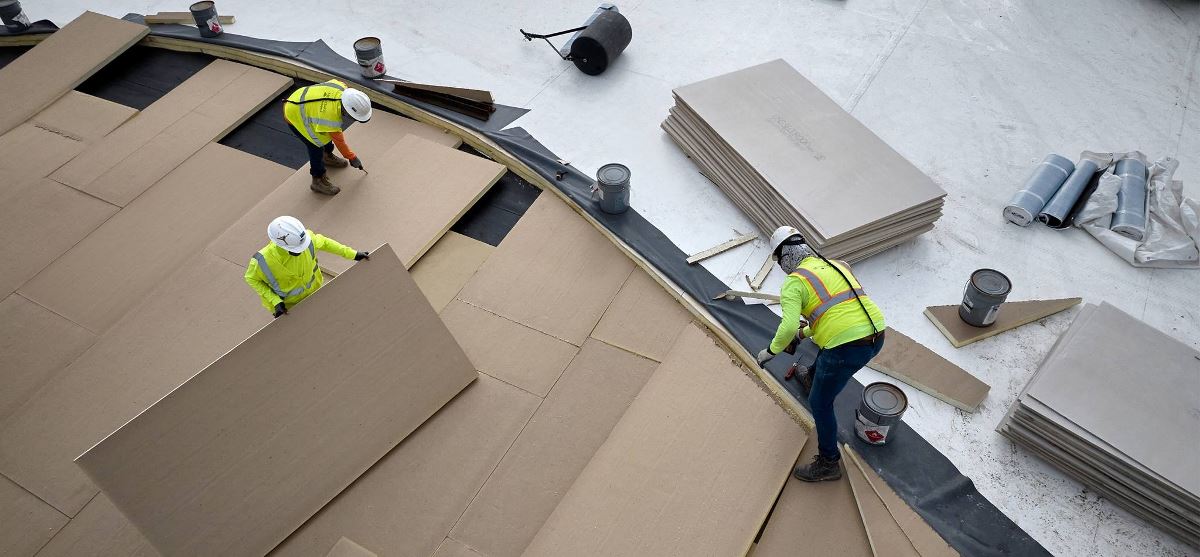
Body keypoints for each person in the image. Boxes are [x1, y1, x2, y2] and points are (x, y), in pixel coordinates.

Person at [756, 226, 886, 482]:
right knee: (828, 360)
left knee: (820, 403)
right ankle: (813, 377)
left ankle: (829, 463)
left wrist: (771, 351)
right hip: (877, 335)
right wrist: (803, 336)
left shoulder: (793, 283)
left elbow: (789, 326)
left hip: (846, 349)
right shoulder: (838, 265)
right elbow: (836, 314)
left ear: (784, 257)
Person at [245, 216, 369, 317]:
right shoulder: (261, 261)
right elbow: (252, 279)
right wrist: (275, 301)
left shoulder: (307, 239)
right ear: (280, 244)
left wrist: (353, 254)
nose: (301, 251)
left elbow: (325, 243)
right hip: (290, 307)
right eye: (296, 250)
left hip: (316, 291)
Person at [283, 79, 373, 196]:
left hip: (300, 98)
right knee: (316, 145)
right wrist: (352, 157)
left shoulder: (341, 86)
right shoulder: (330, 119)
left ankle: (327, 156)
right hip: (294, 113)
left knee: (325, 134)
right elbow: (339, 141)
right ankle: (317, 180)